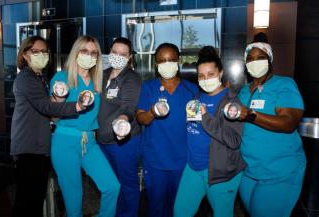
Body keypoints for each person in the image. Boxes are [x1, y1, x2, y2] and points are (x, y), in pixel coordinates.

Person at [10, 36, 82, 217]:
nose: (42, 55)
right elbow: (45, 106)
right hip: (28, 148)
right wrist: (77, 106)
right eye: (36, 52)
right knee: (26, 202)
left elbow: (49, 110)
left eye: (44, 52)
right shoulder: (26, 78)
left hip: (40, 148)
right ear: (25, 55)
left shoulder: (40, 78)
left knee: (35, 200)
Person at [50, 35, 120, 217]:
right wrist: (58, 98)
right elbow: (53, 111)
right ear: (76, 53)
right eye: (84, 51)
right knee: (74, 199)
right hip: (65, 141)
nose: (89, 56)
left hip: (89, 141)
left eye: (94, 53)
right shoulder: (62, 77)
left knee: (112, 186)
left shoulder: (98, 81)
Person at [238, 36, 306, 217]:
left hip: (279, 171)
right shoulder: (244, 90)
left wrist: (251, 114)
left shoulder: (284, 85)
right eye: (250, 59)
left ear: (269, 60)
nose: (254, 62)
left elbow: (288, 123)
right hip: (249, 171)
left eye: (260, 57)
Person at [173, 46, 246, 217]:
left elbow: (234, 140)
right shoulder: (198, 97)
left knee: (222, 213)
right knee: (180, 212)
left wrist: (205, 117)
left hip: (219, 171)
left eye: (211, 74)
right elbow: (192, 130)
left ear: (220, 73)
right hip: (192, 167)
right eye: (201, 75)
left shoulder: (232, 102)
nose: (206, 79)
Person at [137, 43, 198, 217]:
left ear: (178, 61)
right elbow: (141, 118)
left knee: (178, 207)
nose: (167, 63)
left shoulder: (191, 89)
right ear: (156, 64)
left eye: (171, 59)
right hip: (155, 160)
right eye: (162, 61)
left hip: (183, 161)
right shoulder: (148, 88)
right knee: (155, 207)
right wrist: (153, 112)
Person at [96, 37, 141, 217]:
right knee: (112, 184)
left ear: (129, 57)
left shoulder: (131, 78)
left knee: (127, 183)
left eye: (123, 54)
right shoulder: (103, 74)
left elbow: (128, 107)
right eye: (115, 52)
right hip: (102, 141)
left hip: (123, 142)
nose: (118, 56)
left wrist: (122, 122)